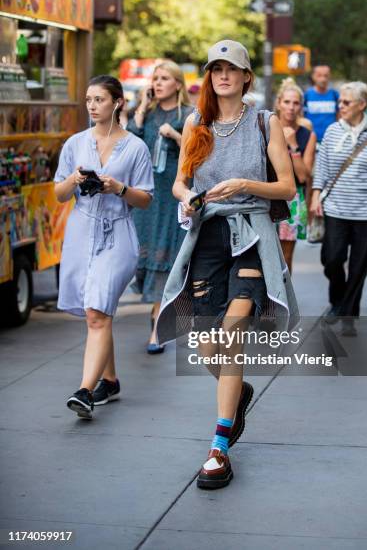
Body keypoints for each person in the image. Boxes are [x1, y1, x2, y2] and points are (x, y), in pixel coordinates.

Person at [156, 40, 299, 489]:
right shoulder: (195, 121)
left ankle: (218, 449)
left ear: (245, 76)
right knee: (203, 348)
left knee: (229, 334)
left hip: (252, 236)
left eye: (231, 69)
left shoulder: (264, 121)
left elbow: (289, 188)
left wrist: (244, 183)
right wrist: (190, 197)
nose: (223, 76)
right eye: (215, 69)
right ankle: (237, 393)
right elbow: (180, 183)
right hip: (208, 238)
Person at [54, 75, 154, 419]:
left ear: (117, 103)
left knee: (97, 312)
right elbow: (59, 194)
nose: (92, 106)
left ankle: (84, 391)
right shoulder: (75, 144)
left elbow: (145, 200)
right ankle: (109, 380)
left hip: (118, 235)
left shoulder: (136, 147)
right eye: (88, 100)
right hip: (81, 233)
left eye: (99, 99)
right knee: (98, 311)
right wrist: (73, 179)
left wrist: (119, 188)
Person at [310, 82, 367, 336]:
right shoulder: (332, 131)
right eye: (340, 102)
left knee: (359, 266)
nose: (341, 106)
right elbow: (323, 166)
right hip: (336, 207)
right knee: (332, 258)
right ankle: (339, 300)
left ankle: (348, 314)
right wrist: (316, 195)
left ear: (362, 105)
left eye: (346, 102)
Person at [127, 61, 193, 354]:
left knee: (166, 260)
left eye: (165, 78)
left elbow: (198, 156)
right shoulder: (147, 114)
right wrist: (141, 107)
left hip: (171, 197)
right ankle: (156, 315)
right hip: (146, 196)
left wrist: (176, 136)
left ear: (178, 84)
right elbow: (130, 144)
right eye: (155, 79)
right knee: (142, 256)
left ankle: (157, 327)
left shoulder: (189, 116)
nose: (158, 83)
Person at [275, 81, 317, 272]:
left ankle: (284, 300)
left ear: (301, 106)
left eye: (296, 103)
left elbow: (303, 175)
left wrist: (292, 145)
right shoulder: (266, 127)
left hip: (292, 199)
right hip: (265, 195)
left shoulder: (307, 135)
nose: (291, 107)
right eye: (287, 102)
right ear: (279, 103)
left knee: (286, 257)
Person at [304, 65, 339, 144]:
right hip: (310, 140)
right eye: (319, 75)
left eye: (325, 76)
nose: (323, 79)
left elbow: (339, 116)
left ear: (329, 76)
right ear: (313, 77)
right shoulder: (306, 95)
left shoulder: (335, 95)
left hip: (331, 140)